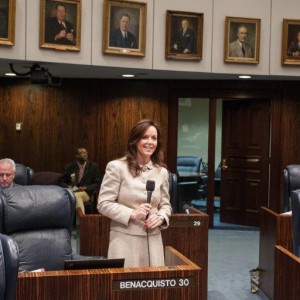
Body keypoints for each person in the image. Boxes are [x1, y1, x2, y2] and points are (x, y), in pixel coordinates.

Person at [97, 120, 172, 268]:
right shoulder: (116, 167)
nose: (150, 142)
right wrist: (132, 213)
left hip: (154, 240)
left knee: (153, 287)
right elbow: (103, 204)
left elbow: (166, 205)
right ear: (135, 140)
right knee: (125, 287)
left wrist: (161, 217)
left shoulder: (162, 172)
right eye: (145, 137)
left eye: (154, 138)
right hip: (124, 240)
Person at [61, 148, 101, 219]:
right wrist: (68, 186)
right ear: (77, 156)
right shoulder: (70, 167)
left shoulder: (93, 166)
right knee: (75, 194)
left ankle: (81, 224)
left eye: (85, 153)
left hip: (86, 192)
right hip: (72, 191)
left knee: (77, 195)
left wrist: (85, 188)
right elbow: (62, 182)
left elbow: (98, 183)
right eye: (82, 153)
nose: (84, 154)